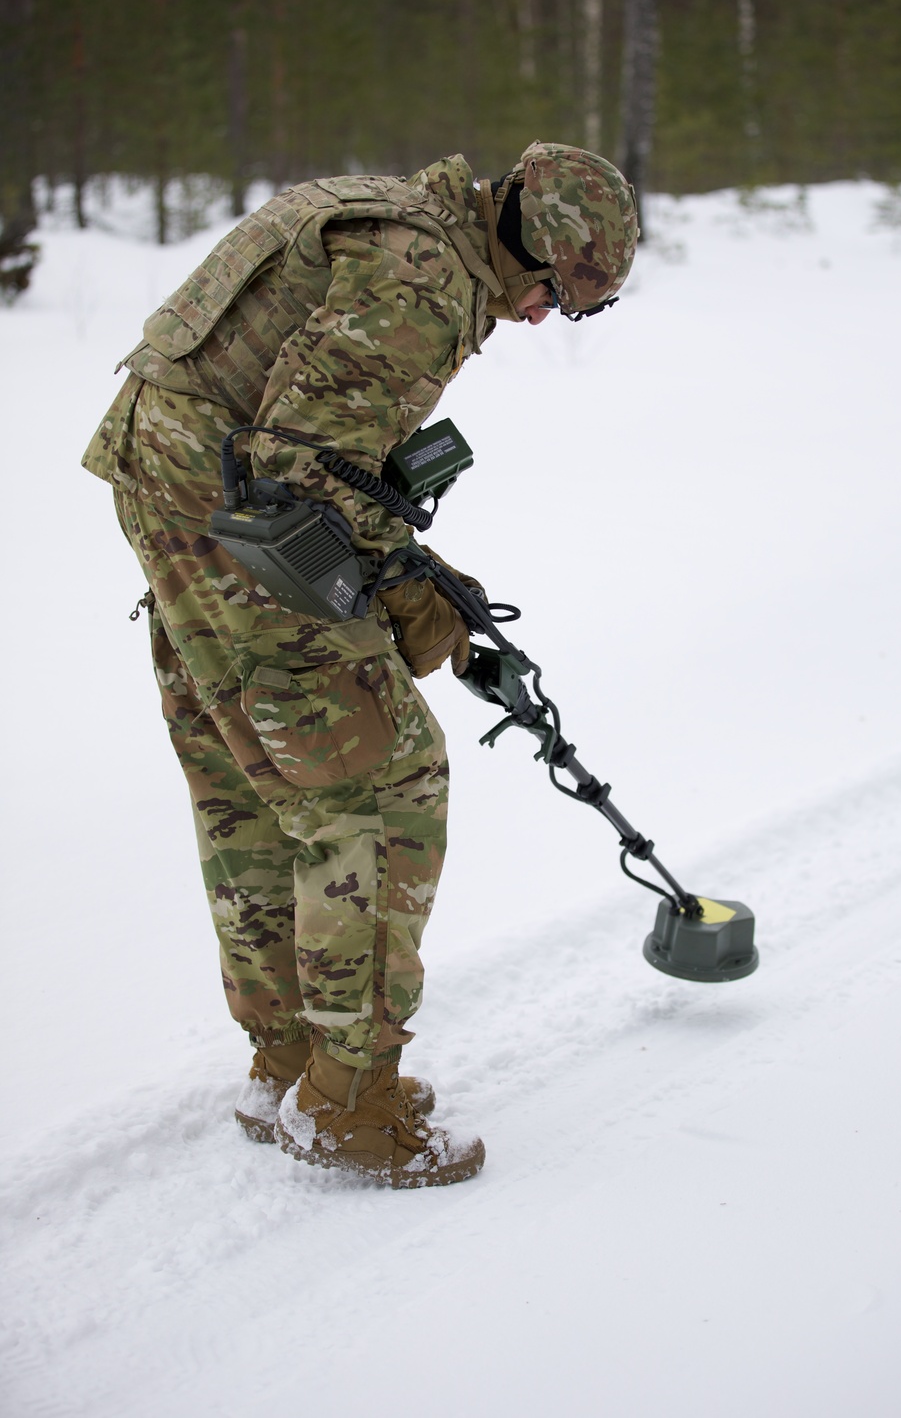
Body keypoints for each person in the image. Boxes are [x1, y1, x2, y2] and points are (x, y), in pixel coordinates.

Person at [82, 142, 638, 1189]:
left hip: (174, 487)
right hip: (228, 509)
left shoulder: (392, 216)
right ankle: (350, 1103)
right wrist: (405, 589)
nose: (538, 318)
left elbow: (311, 438)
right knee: (380, 780)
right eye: (559, 295)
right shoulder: (422, 279)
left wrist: (408, 571)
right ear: (538, 243)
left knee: (255, 773)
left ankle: (289, 1062)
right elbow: (296, 473)